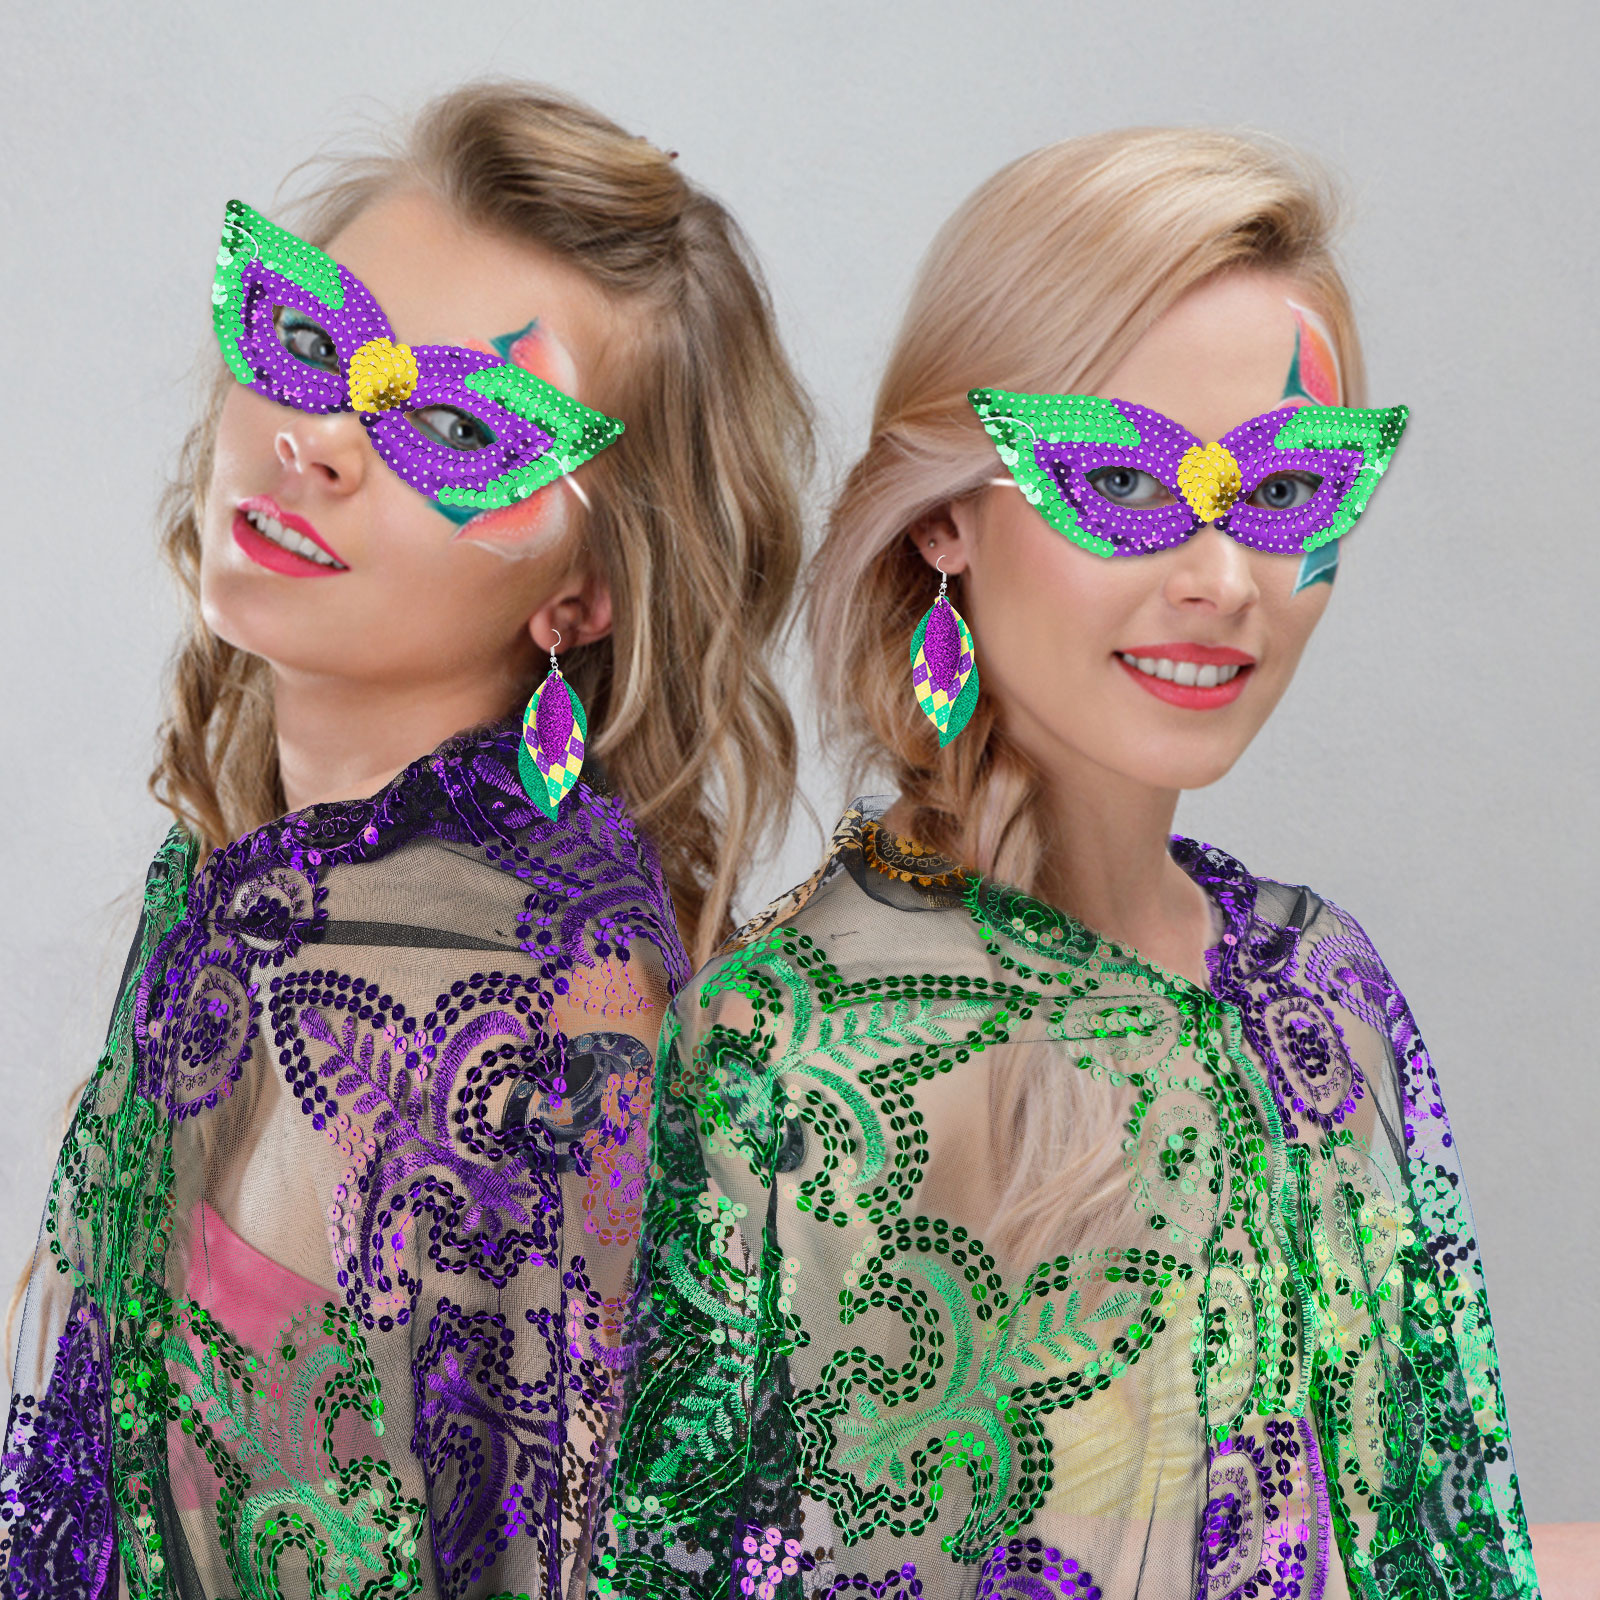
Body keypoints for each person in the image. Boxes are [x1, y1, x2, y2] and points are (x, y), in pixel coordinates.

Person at [601, 130, 1543, 1598]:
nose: (1222, 580)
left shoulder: (1316, 986)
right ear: (945, 516)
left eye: (1287, 494)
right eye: (1120, 479)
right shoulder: (807, 1048)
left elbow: (1434, 1552)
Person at [0, 80, 810, 1599]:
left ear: (582, 594)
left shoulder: (489, 1000)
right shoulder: (283, 896)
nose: (317, 441)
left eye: (451, 426)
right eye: (311, 345)